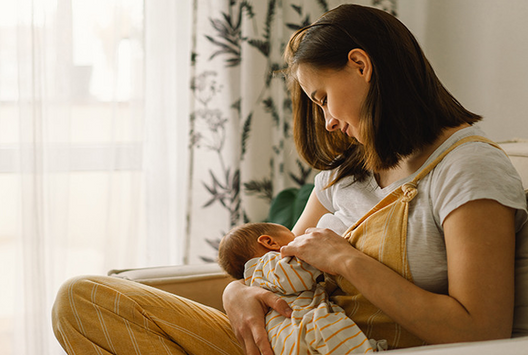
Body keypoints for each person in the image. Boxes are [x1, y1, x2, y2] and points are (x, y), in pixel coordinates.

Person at [51, 4, 527, 355]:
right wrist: (236, 292)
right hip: (293, 342)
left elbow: (480, 330)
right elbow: (284, 268)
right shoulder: (346, 171)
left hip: (361, 347)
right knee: (81, 300)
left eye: (322, 98)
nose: (327, 123)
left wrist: (347, 260)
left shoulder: (467, 168)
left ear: (361, 66)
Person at [218, 222, 381, 354]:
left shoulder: (257, 279)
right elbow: (294, 276)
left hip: (285, 338)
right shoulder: (268, 264)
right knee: (335, 330)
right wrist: (322, 255)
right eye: (294, 236)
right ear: (270, 242)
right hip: (303, 325)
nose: (300, 239)